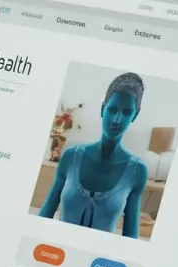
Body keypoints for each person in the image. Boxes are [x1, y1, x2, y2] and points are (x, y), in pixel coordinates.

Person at [38, 73, 149, 239]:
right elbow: (45, 214)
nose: (117, 120)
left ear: (135, 115)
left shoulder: (137, 171)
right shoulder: (70, 157)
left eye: (127, 112)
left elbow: (130, 236)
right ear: (103, 108)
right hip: (54, 253)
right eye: (112, 110)